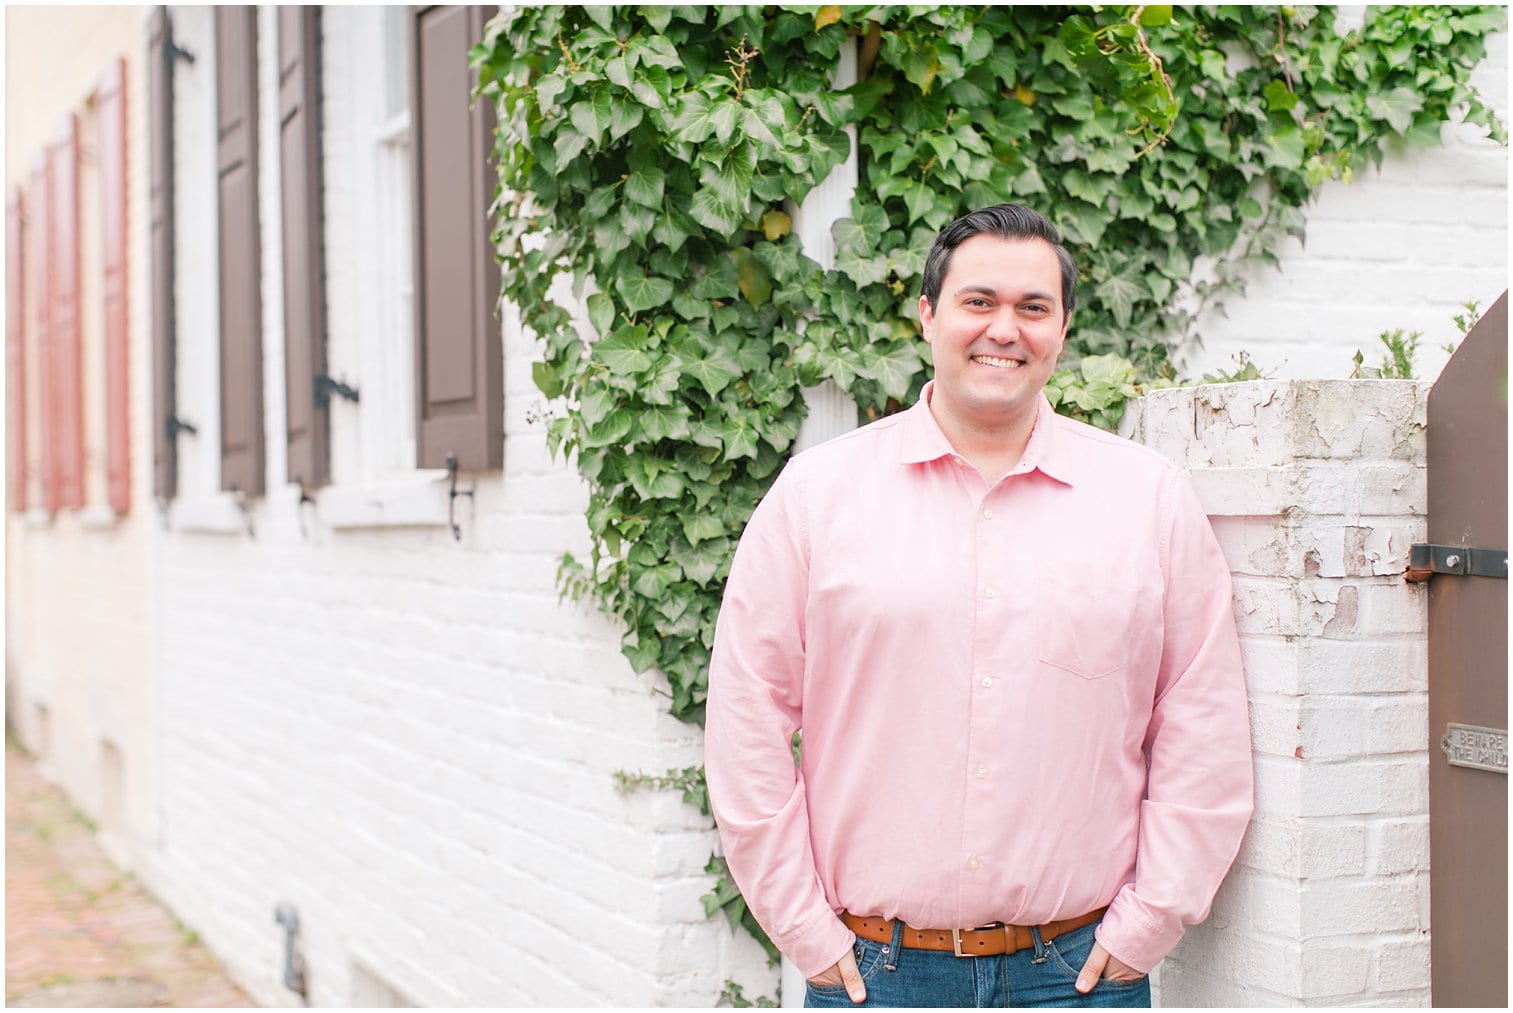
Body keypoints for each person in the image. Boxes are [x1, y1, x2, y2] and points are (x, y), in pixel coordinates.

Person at [704, 204, 1253, 1008]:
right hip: (876, 975)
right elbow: (746, 715)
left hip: (1079, 974)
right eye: (977, 302)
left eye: (1033, 308)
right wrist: (803, 928)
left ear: (1061, 329)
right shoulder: (818, 498)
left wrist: (1148, 923)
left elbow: (1200, 723)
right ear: (927, 314)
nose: (1005, 329)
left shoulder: (1147, 500)